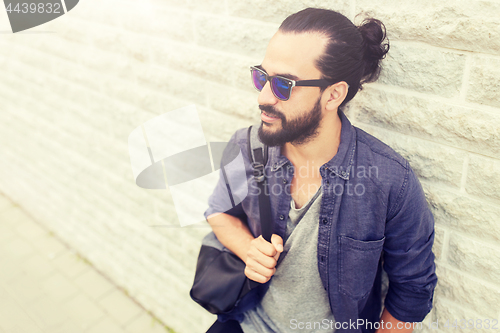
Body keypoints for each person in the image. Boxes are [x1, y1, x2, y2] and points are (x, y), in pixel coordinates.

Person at [203, 7, 437, 333]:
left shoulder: (389, 180)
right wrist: (247, 249)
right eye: (262, 76)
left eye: (283, 84)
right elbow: (218, 212)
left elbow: (412, 290)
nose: (263, 96)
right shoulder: (247, 146)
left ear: (333, 95)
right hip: (245, 321)